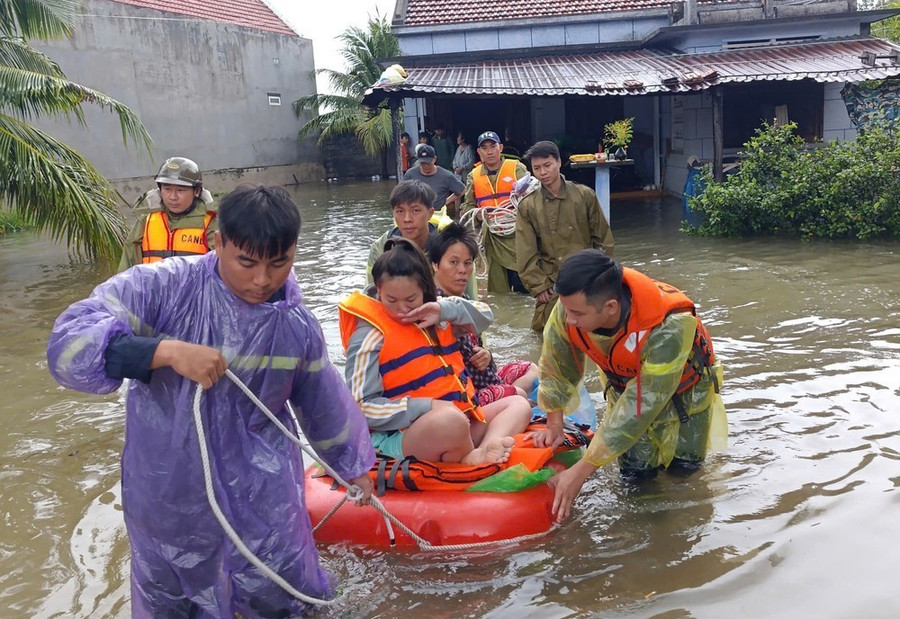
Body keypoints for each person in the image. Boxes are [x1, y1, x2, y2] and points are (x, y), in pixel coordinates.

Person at [47, 185, 376, 616]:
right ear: (218, 243)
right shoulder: (161, 287)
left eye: (279, 263)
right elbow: (69, 346)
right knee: (174, 597)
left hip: (264, 495)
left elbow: (324, 405)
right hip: (171, 489)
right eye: (247, 262)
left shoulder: (296, 324)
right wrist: (164, 352)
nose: (262, 280)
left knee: (283, 595)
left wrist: (355, 469)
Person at [531, 250, 726, 521]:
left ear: (611, 307)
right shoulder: (570, 309)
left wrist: (582, 471)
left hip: (686, 393)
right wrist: (554, 423)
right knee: (636, 477)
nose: (568, 319)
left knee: (684, 472)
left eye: (576, 313)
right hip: (625, 385)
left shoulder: (669, 326)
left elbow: (644, 404)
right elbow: (556, 365)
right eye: (566, 309)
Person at [341, 238, 532, 464]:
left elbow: (484, 315)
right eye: (391, 300)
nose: (402, 309)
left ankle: (483, 451)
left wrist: (444, 309)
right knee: (451, 421)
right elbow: (362, 407)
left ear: (424, 289)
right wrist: (427, 406)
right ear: (379, 289)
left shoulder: (436, 314)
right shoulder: (369, 336)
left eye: (411, 299)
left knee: (519, 404)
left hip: (457, 422)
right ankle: (470, 457)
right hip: (404, 435)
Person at [427, 223, 539, 404]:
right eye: (453, 262)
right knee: (520, 396)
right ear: (435, 265)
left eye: (467, 263)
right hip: (465, 391)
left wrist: (487, 356)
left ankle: (513, 403)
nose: (462, 270)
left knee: (531, 369)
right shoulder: (433, 307)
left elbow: (478, 351)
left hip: (484, 379)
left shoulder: (465, 300)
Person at [516, 140, 615, 332]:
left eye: (547, 165)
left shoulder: (584, 195)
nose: (543, 172)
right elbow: (525, 252)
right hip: (552, 284)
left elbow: (603, 240)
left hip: (586, 278)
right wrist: (539, 286)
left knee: (595, 332)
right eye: (537, 168)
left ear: (559, 162)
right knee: (545, 333)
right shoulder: (527, 207)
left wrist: (601, 277)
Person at [367, 180, 477, 299]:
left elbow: (471, 297)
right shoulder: (381, 247)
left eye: (415, 210)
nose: (407, 219)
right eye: (400, 211)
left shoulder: (450, 245)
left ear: (430, 213)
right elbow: (370, 294)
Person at [118, 156, 217, 272]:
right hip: (152, 284)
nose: (173, 197)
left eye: (181, 190)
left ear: (197, 191)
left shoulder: (210, 223)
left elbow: (224, 268)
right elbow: (127, 268)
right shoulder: (146, 220)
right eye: (167, 189)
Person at [461, 130, 529, 294]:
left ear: (501, 148)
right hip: (492, 236)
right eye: (484, 148)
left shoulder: (517, 168)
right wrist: (478, 215)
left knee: (523, 285)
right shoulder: (473, 176)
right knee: (498, 289)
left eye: (493, 146)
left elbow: (531, 199)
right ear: (479, 152)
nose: (489, 151)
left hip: (518, 234)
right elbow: (467, 207)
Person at [402, 144, 465, 216]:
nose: (426, 166)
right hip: (416, 214)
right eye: (422, 163)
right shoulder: (411, 174)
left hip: (437, 214)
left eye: (428, 163)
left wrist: (445, 202)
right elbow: (401, 193)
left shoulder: (446, 175)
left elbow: (462, 190)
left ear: (434, 159)